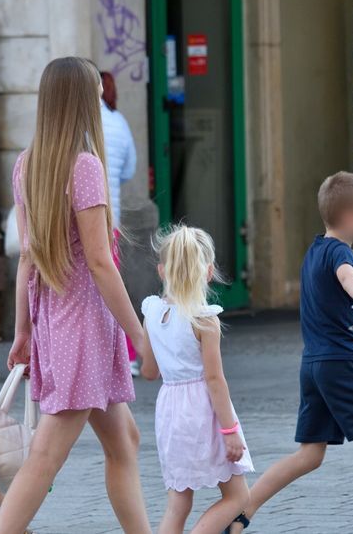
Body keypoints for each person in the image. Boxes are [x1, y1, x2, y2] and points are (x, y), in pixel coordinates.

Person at [0, 57, 150, 534]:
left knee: (125, 441)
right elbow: (101, 264)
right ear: (84, 101)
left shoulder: (27, 165)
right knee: (44, 456)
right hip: (83, 325)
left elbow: (26, 258)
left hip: (57, 321)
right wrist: (140, 336)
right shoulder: (84, 166)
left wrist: (23, 331)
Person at [229, 172, 353, 534]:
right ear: (350, 217)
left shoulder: (317, 250)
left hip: (315, 365)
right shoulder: (342, 253)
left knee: (310, 454)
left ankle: (240, 514)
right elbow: (346, 277)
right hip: (342, 364)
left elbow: (336, 281)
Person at [137, 225, 252, 534]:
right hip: (203, 412)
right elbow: (215, 380)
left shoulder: (153, 313)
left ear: (162, 271)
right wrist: (230, 431)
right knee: (238, 495)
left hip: (171, 411)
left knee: (179, 502)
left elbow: (149, 372)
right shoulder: (204, 319)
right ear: (209, 271)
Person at [99, 71, 140, 374]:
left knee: (105, 287)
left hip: (83, 219)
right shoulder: (119, 122)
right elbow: (129, 169)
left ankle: (127, 352)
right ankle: (126, 353)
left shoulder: (82, 124)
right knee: (113, 283)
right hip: (111, 217)